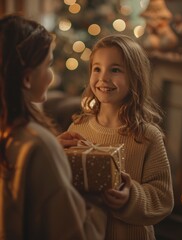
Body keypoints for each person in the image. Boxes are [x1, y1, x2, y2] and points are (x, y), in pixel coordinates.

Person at [0, 14, 106, 240]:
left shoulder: (16, 137)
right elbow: (76, 234)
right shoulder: (38, 144)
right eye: (48, 64)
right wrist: (98, 196)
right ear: (27, 79)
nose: (52, 75)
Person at [58, 34, 174, 240]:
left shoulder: (148, 136)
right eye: (97, 69)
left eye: (115, 69)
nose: (103, 78)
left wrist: (129, 197)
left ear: (135, 77)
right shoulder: (78, 127)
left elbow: (163, 198)